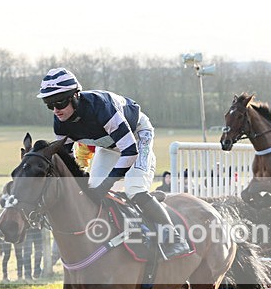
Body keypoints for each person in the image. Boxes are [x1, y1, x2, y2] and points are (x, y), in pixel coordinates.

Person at [36, 67, 189, 260]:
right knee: (91, 190)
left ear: (75, 95)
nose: (56, 110)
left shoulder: (100, 107)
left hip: (136, 136)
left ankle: (174, 237)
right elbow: (69, 165)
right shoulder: (60, 122)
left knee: (134, 189)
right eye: (49, 104)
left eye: (59, 102)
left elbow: (130, 150)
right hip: (108, 145)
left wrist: (106, 185)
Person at [0, 181, 25, 282]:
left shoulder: (19, 200)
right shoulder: (4, 200)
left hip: (16, 229)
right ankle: (5, 276)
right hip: (6, 230)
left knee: (19, 254)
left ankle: (20, 276)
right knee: (7, 255)